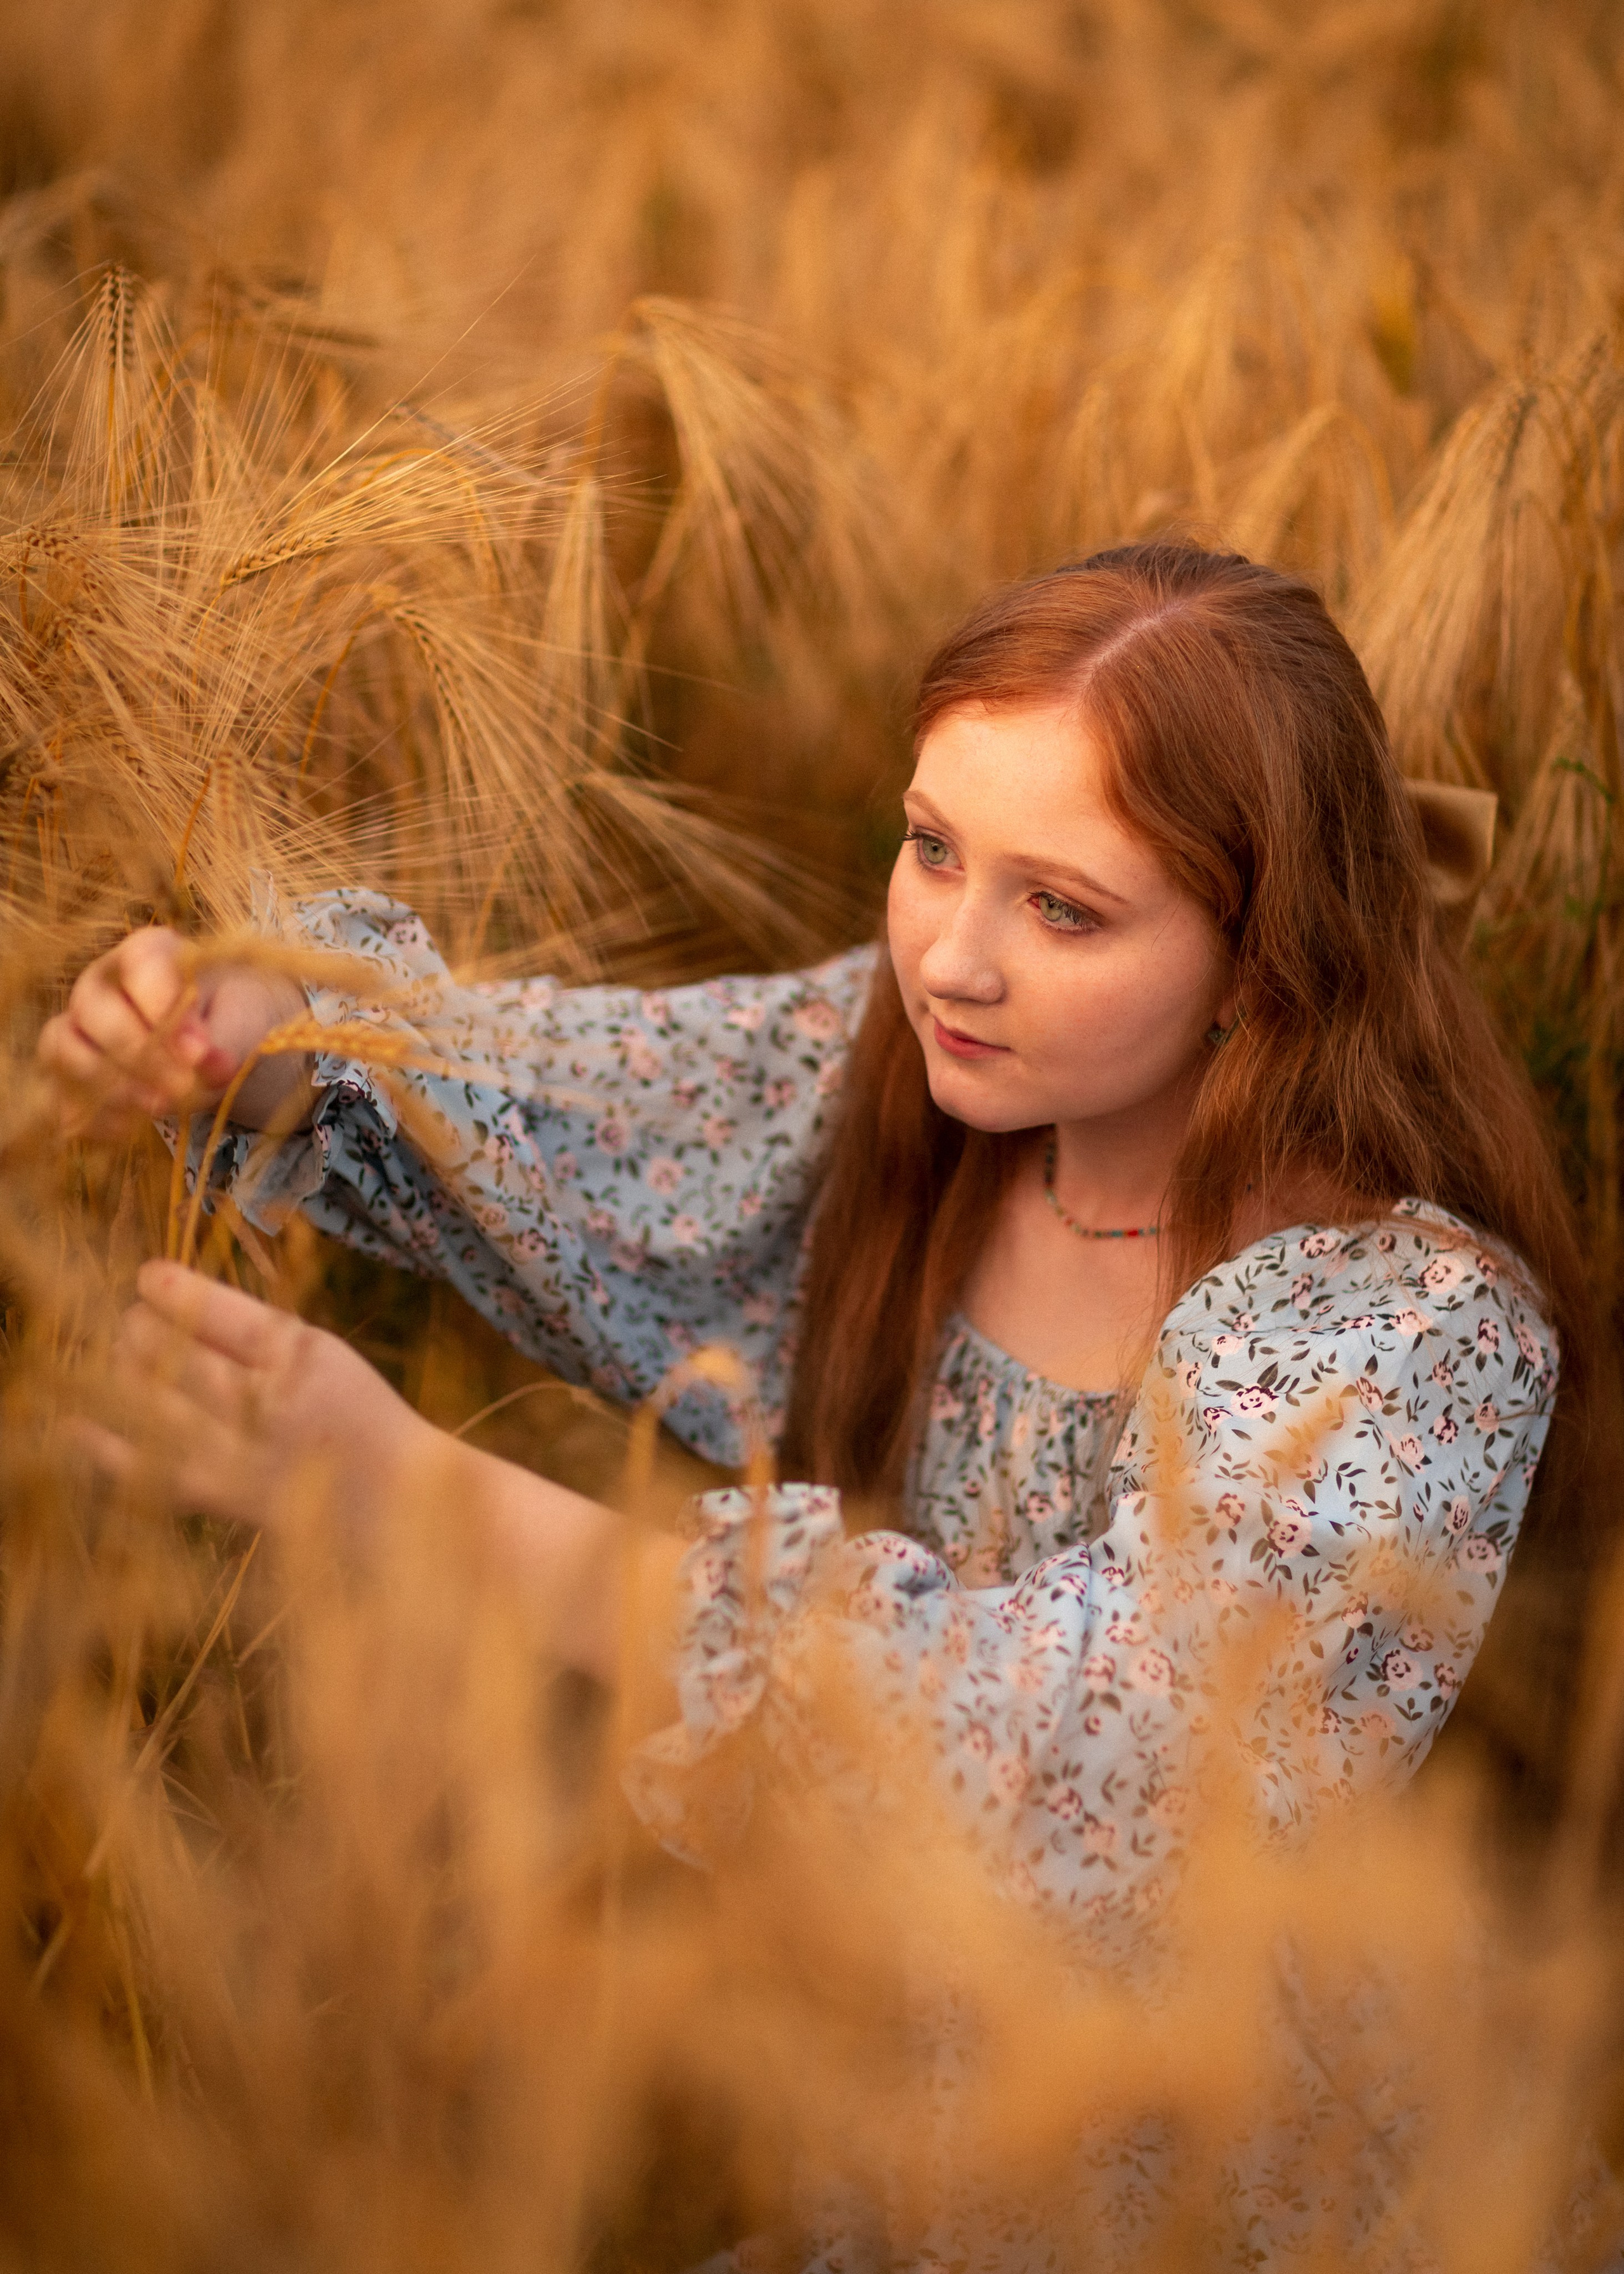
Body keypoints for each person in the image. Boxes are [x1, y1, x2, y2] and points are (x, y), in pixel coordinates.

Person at [37, 542, 1595, 2259]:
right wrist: (251, 1024)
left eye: (1062, 905)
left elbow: (1089, 1761)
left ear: (1261, 956)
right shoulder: (910, 1082)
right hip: (897, 2125)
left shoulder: (1415, 1327)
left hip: (1248, 2181)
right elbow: (562, 1102)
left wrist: (425, 1499)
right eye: (933, 849)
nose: (953, 958)